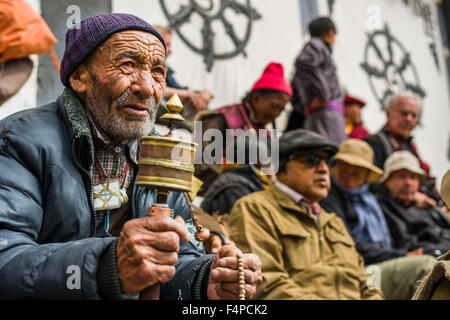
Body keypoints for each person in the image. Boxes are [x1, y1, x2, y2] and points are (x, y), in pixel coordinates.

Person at [0, 13, 262, 300]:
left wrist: (204, 280)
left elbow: (179, 259)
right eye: (127, 64)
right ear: (79, 77)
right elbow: (7, 259)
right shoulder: (19, 141)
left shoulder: (161, 152)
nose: (148, 87)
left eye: (158, 71)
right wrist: (106, 265)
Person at [228, 129, 384, 299]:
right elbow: (266, 283)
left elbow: (367, 282)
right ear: (282, 169)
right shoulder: (256, 208)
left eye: (327, 162)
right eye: (312, 160)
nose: (324, 169)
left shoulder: (333, 222)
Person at [320, 139, 435, 299]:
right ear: (335, 166)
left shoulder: (370, 199)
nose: (349, 171)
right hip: (358, 269)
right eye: (344, 165)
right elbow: (349, 244)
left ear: (367, 173)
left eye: (357, 168)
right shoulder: (328, 196)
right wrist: (401, 255)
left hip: (381, 261)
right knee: (425, 267)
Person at [194, 61, 291, 194]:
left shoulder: (266, 135)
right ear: (256, 98)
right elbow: (201, 166)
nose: (276, 114)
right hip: (220, 193)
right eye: (274, 106)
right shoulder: (221, 119)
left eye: (281, 109)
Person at [364, 91, 441, 206]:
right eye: (404, 113)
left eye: (414, 115)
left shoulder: (409, 145)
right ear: (388, 114)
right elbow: (371, 185)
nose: (409, 119)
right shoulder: (373, 144)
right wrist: (411, 197)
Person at [372, 151, 450, 259]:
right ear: (387, 181)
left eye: (413, 177)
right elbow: (408, 245)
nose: (408, 183)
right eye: (402, 177)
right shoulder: (382, 207)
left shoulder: (425, 207)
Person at [289, 17, 347, 144]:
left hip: (320, 115)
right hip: (326, 114)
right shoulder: (317, 45)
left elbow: (294, 87)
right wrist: (323, 96)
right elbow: (304, 61)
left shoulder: (316, 49)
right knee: (328, 153)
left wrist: (303, 106)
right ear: (331, 33)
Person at [154, 25, 213, 131]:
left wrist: (199, 95)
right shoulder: (145, 67)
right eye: (167, 45)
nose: (170, 50)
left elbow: (178, 89)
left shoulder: (165, 69)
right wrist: (189, 94)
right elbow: (153, 88)